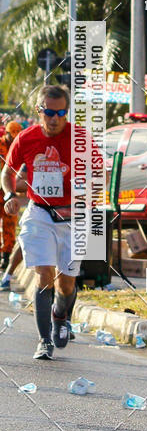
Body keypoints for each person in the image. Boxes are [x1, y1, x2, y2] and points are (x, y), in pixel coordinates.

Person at [2, 86, 79, 360]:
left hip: (71, 217)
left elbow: (98, 173)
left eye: (61, 113)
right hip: (39, 213)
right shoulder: (26, 138)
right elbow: (7, 173)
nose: (55, 118)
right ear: (39, 111)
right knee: (44, 274)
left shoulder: (79, 138)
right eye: (49, 112)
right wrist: (11, 194)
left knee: (66, 284)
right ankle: (43, 341)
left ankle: (61, 315)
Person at [0, 121, 23, 276]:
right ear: (6, 133)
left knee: (9, 224)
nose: (12, 138)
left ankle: (6, 256)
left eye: (15, 135)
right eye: (11, 135)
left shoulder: (20, 146)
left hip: (9, 192)